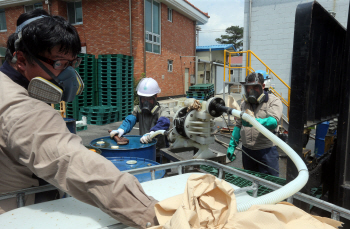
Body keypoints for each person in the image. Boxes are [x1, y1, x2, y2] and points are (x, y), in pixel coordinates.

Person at [0, 9, 158, 228]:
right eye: (59, 64)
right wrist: (152, 213)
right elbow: (72, 162)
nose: (67, 75)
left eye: (72, 64)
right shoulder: (20, 109)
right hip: (21, 216)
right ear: (21, 60)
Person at [227, 72, 283, 176]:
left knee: (270, 184)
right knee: (250, 183)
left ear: (263, 86)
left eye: (255, 87)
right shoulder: (244, 103)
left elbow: (273, 122)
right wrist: (232, 145)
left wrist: (253, 122)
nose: (251, 91)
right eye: (248, 87)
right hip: (247, 151)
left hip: (266, 151)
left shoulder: (273, 101)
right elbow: (238, 125)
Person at [110, 78, 171, 161]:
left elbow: (164, 122)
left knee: (161, 173)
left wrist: (152, 133)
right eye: (143, 99)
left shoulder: (163, 110)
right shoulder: (139, 110)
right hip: (145, 149)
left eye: (149, 99)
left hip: (160, 153)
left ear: (155, 97)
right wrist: (121, 129)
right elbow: (130, 119)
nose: (146, 102)